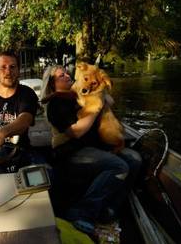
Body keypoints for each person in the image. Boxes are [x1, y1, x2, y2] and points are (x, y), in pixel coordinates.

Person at [41, 65, 142, 235]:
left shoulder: (79, 95)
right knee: (119, 166)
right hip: (71, 152)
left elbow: (110, 101)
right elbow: (76, 132)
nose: (67, 75)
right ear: (52, 84)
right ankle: (81, 212)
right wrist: (96, 107)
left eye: (67, 72)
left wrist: (101, 95)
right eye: (61, 75)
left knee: (134, 159)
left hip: (94, 147)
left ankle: (109, 208)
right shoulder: (55, 104)